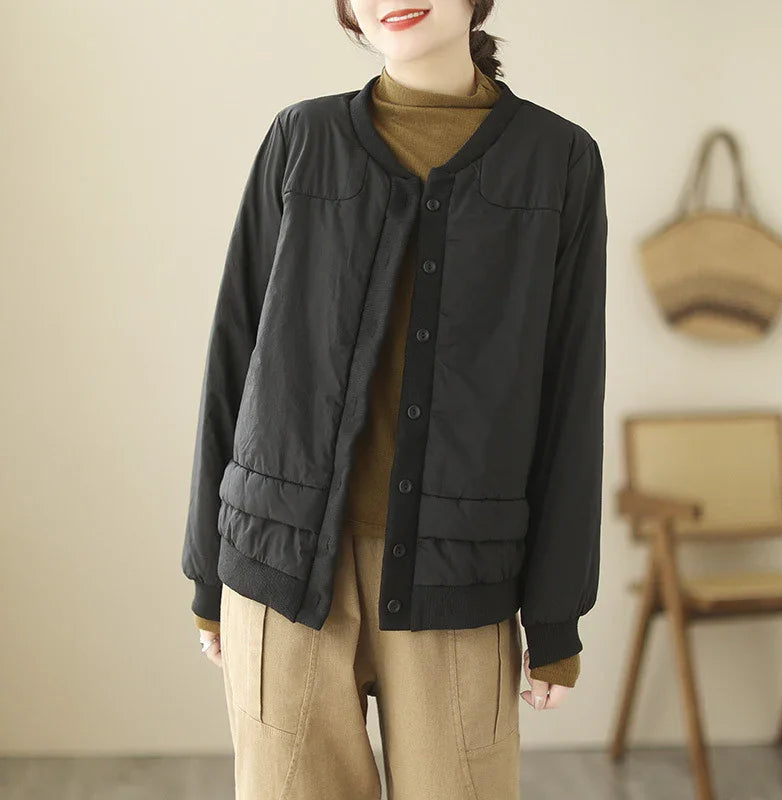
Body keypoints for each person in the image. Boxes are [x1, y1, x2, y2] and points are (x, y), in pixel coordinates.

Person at [182, 1, 607, 797]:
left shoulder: (559, 160)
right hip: (281, 566)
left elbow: (571, 395)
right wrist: (209, 574)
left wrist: (554, 617)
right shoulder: (299, 140)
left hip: (460, 574)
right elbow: (235, 355)